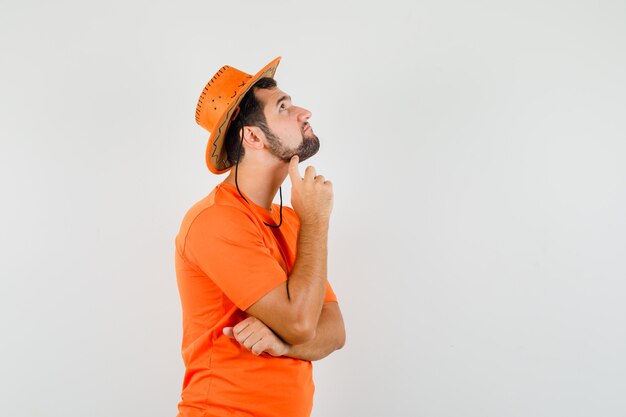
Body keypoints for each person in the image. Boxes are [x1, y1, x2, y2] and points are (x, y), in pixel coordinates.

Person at [174, 56, 345, 417]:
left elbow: (335, 330)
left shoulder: (292, 220)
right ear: (252, 136)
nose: (304, 112)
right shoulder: (215, 221)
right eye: (284, 107)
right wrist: (318, 221)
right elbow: (301, 322)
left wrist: (284, 344)